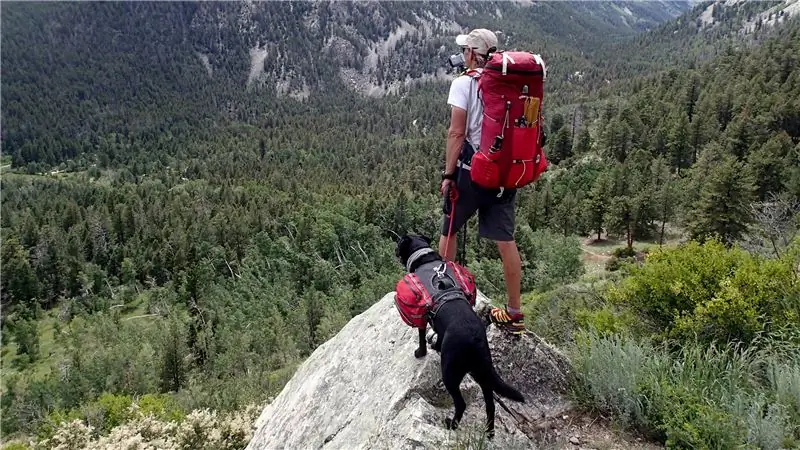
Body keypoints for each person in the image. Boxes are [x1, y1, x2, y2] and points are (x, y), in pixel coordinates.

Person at [439, 28, 525, 334]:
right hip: (505, 174)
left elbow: (456, 133)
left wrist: (449, 175)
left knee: (449, 232)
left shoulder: (463, 83)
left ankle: (446, 303)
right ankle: (514, 314)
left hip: (471, 172)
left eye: (465, 50)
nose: (462, 55)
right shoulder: (511, 82)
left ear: (473, 54)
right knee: (506, 241)